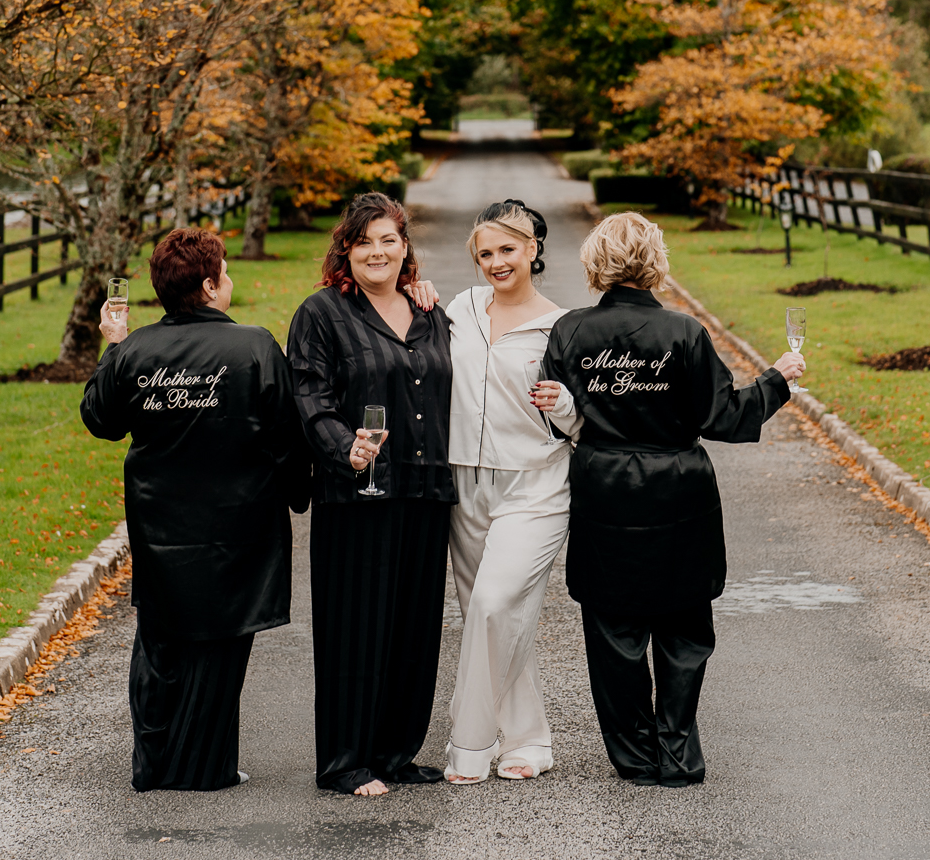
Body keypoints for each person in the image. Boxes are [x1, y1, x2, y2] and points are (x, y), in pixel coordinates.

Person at [543, 211, 806, 788]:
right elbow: (724, 417)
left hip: (604, 491)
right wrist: (777, 379)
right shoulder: (684, 334)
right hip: (678, 493)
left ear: (597, 261)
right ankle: (679, 753)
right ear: (655, 261)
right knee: (685, 628)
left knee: (614, 631)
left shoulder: (568, 332)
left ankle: (635, 758)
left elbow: (555, 419)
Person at [79, 228, 309, 792]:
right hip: (241, 528)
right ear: (209, 285)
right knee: (223, 641)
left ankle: (155, 764)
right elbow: (287, 436)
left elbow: (99, 419)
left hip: (163, 530)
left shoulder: (134, 352)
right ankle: (204, 767)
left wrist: (113, 345)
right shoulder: (255, 347)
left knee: (161, 642)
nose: (230, 280)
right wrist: (298, 492)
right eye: (225, 272)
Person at [285, 192, 453, 797]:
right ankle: (346, 761)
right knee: (356, 627)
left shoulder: (431, 311)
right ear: (345, 251)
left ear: (405, 247)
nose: (377, 251)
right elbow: (308, 397)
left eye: (389, 240)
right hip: (358, 494)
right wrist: (342, 446)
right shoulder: (321, 314)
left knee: (414, 627)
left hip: (426, 486)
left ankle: (397, 753)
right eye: (364, 242)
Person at [441, 200, 582, 785]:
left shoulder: (562, 326)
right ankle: (528, 741)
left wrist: (567, 406)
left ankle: (469, 744)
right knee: (488, 617)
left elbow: (588, 421)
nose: (496, 263)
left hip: (536, 484)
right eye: (485, 254)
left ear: (532, 250)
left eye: (507, 250)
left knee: (496, 604)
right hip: (464, 484)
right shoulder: (460, 309)